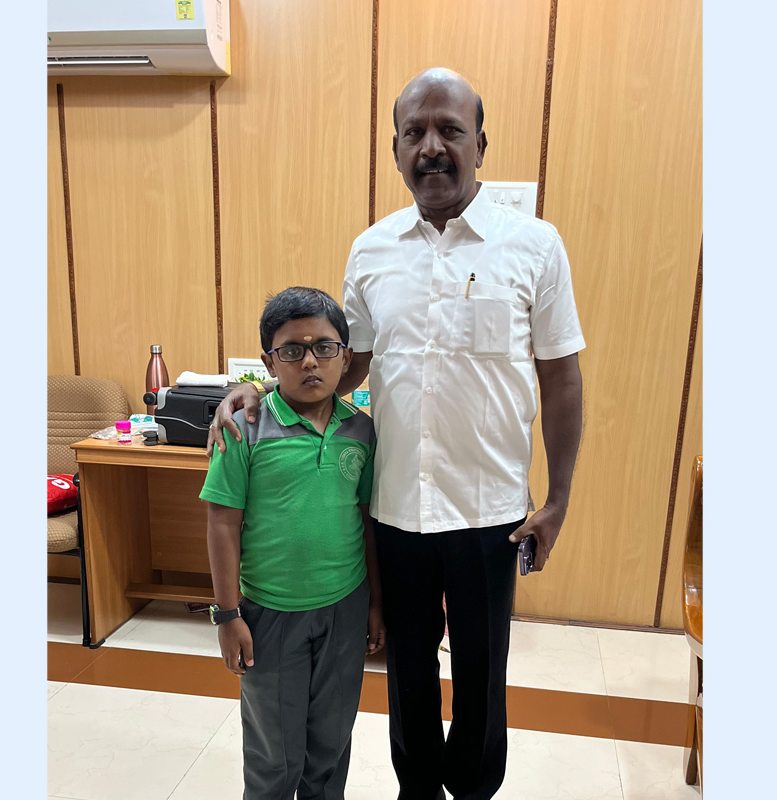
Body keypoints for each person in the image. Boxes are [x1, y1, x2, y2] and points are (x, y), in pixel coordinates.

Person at [208, 68, 585, 800]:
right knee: (407, 671)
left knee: (481, 674)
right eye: (415, 133)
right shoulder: (372, 250)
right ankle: (418, 791)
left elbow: (561, 377)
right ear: (396, 150)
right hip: (395, 511)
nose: (432, 147)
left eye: (450, 130)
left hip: (488, 514)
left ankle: (472, 790)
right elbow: (340, 365)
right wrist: (256, 388)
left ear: (481, 144)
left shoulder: (535, 246)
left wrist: (559, 498)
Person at [200, 286, 385, 800]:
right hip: (270, 615)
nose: (309, 361)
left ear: (345, 357)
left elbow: (367, 520)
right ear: (269, 362)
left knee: (331, 743)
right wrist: (227, 615)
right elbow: (222, 523)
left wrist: (375, 603)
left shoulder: (362, 431)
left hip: (344, 610)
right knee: (275, 755)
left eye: (324, 347)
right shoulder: (245, 429)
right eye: (291, 350)